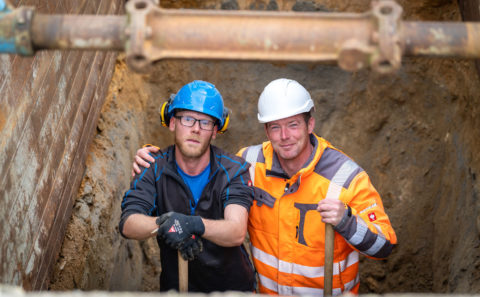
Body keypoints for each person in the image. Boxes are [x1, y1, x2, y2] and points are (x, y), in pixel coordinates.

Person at [133, 78, 397, 295]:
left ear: (310, 124)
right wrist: (152, 158)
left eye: (293, 124)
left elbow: (384, 246)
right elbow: (202, 166)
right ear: (266, 130)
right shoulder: (249, 163)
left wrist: (347, 220)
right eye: (275, 127)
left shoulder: (345, 177)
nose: (285, 136)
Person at [119, 80, 255, 293]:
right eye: (188, 119)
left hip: (232, 288)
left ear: (215, 131)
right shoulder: (152, 167)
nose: (195, 129)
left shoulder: (233, 170)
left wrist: (194, 225)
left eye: (205, 122)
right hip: (178, 289)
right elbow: (128, 223)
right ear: (172, 122)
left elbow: (236, 231)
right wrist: (167, 224)